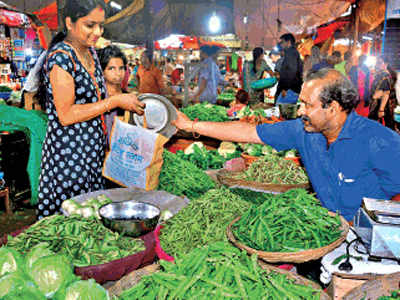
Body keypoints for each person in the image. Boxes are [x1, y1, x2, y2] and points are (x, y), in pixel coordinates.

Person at [173, 68, 400, 222]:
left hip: (367, 245)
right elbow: (248, 132)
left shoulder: (378, 140)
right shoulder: (303, 131)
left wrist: (366, 228)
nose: (300, 111)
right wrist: (191, 125)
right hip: (328, 230)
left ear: (333, 108)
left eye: (307, 105)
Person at [36, 0, 144, 219]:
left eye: (100, 26)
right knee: (71, 222)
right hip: (69, 158)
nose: (97, 32)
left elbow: (97, 98)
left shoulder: (91, 54)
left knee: (91, 217)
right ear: (70, 23)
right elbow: (66, 115)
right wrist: (114, 102)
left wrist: (124, 99)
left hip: (91, 156)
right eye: (90, 25)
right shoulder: (61, 58)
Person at [97, 45, 128, 117]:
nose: (118, 73)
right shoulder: (97, 99)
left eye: (121, 68)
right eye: (111, 68)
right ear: (102, 72)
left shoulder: (128, 98)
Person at [368, 57, 397, 130]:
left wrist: (381, 109)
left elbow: (386, 93)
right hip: (383, 104)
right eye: (377, 62)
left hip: (380, 104)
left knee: (372, 125)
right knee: (388, 124)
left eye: (380, 63)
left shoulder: (385, 76)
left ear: (386, 64)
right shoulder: (381, 74)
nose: (377, 64)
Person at [275, 33, 303, 104]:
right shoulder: (293, 52)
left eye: (282, 42)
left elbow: (291, 71)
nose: (281, 44)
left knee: (280, 112)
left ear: (288, 42)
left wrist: (285, 88)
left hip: (290, 90)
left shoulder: (291, 52)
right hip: (292, 89)